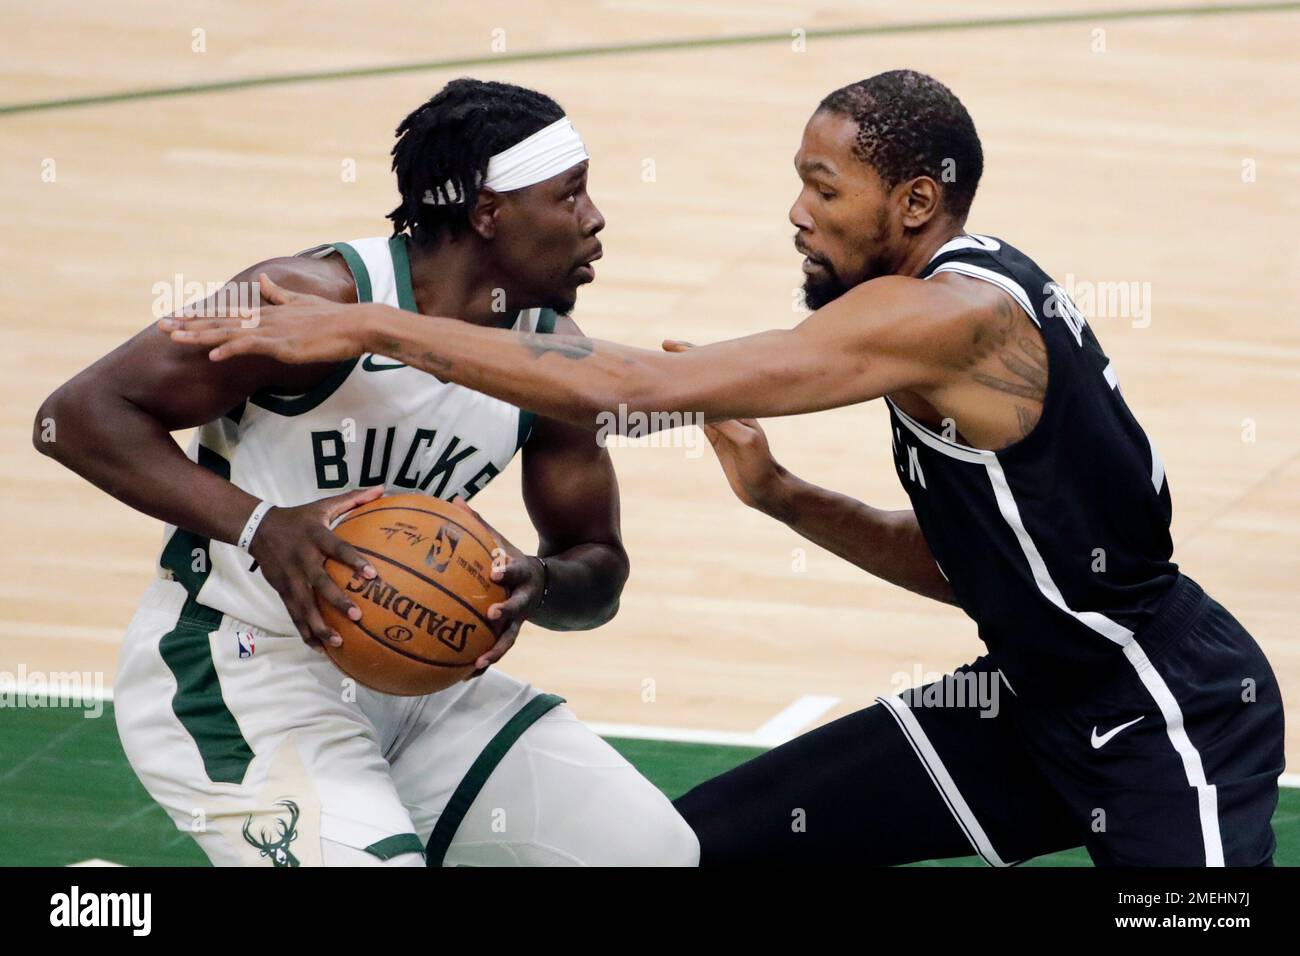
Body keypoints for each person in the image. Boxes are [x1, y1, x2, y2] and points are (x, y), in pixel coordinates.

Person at [160, 69, 1285, 867]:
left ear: (914, 203)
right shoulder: (937, 313)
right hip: (1025, 696)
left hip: (1160, 709)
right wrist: (786, 497)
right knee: (697, 846)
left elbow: (629, 387)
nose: (796, 212)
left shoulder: (943, 317)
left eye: (824, 187)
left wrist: (377, 328)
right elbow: (984, 570)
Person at [35, 78, 699, 867]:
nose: (594, 219)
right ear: (489, 214)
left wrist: (538, 582)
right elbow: (74, 417)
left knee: (652, 853)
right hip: (242, 667)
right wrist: (262, 527)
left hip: (418, 675)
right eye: (571, 195)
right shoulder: (308, 298)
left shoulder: (551, 357)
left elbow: (600, 568)